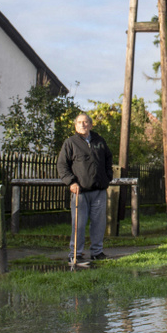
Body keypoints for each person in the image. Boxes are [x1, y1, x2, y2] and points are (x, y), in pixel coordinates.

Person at [57, 112, 113, 262]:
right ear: (75, 126)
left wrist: (108, 177)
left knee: (99, 223)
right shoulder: (70, 143)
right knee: (79, 224)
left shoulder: (99, 141)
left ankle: (97, 252)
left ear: (91, 124)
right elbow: (62, 165)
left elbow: (108, 158)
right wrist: (71, 182)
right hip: (80, 191)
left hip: (99, 190)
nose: (83, 125)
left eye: (86, 122)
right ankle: (75, 253)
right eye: (79, 122)